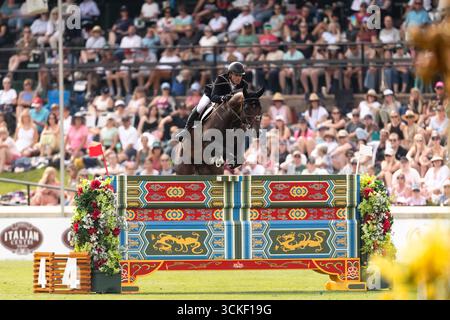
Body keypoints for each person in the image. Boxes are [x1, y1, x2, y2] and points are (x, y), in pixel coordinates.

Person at [175, 61, 248, 141]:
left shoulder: (244, 84)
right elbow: (214, 97)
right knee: (201, 106)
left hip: (228, 103)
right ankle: (186, 129)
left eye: (240, 75)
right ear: (230, 74)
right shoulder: (221, 79)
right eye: (236, 75)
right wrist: (222, 98)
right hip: (211, 96)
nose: (239, 78)